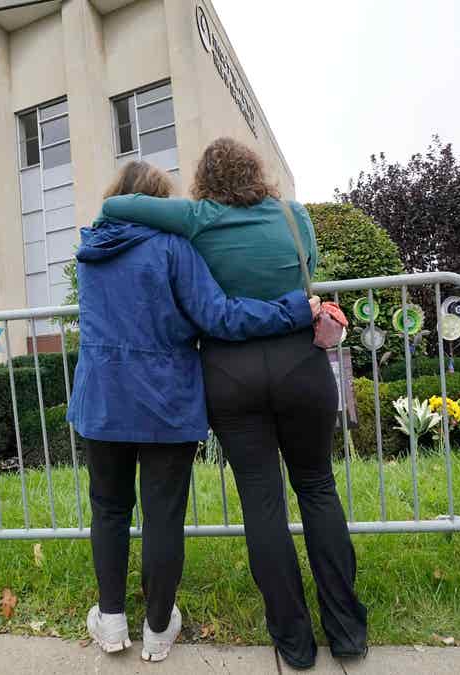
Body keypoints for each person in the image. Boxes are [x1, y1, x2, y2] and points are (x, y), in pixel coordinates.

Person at [99, 138, 369, 669]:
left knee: (261, 502)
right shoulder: (294, 217)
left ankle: (292, 643)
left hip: (230, 373)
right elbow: (305, 274)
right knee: (317, 488)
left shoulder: (198, 219)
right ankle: (347, 632)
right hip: (300, 366)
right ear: (257, 172)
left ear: (205, 180)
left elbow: (115, 206)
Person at [67, 160, 320, 663]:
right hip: (165, 398)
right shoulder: (174, 248)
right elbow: (217, 316)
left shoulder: (89, 252)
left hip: (102, 397)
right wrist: (291, 309)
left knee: (109, 509)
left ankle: (111, 619)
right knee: (163, 516)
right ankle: (159, 628)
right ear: (161, 203)